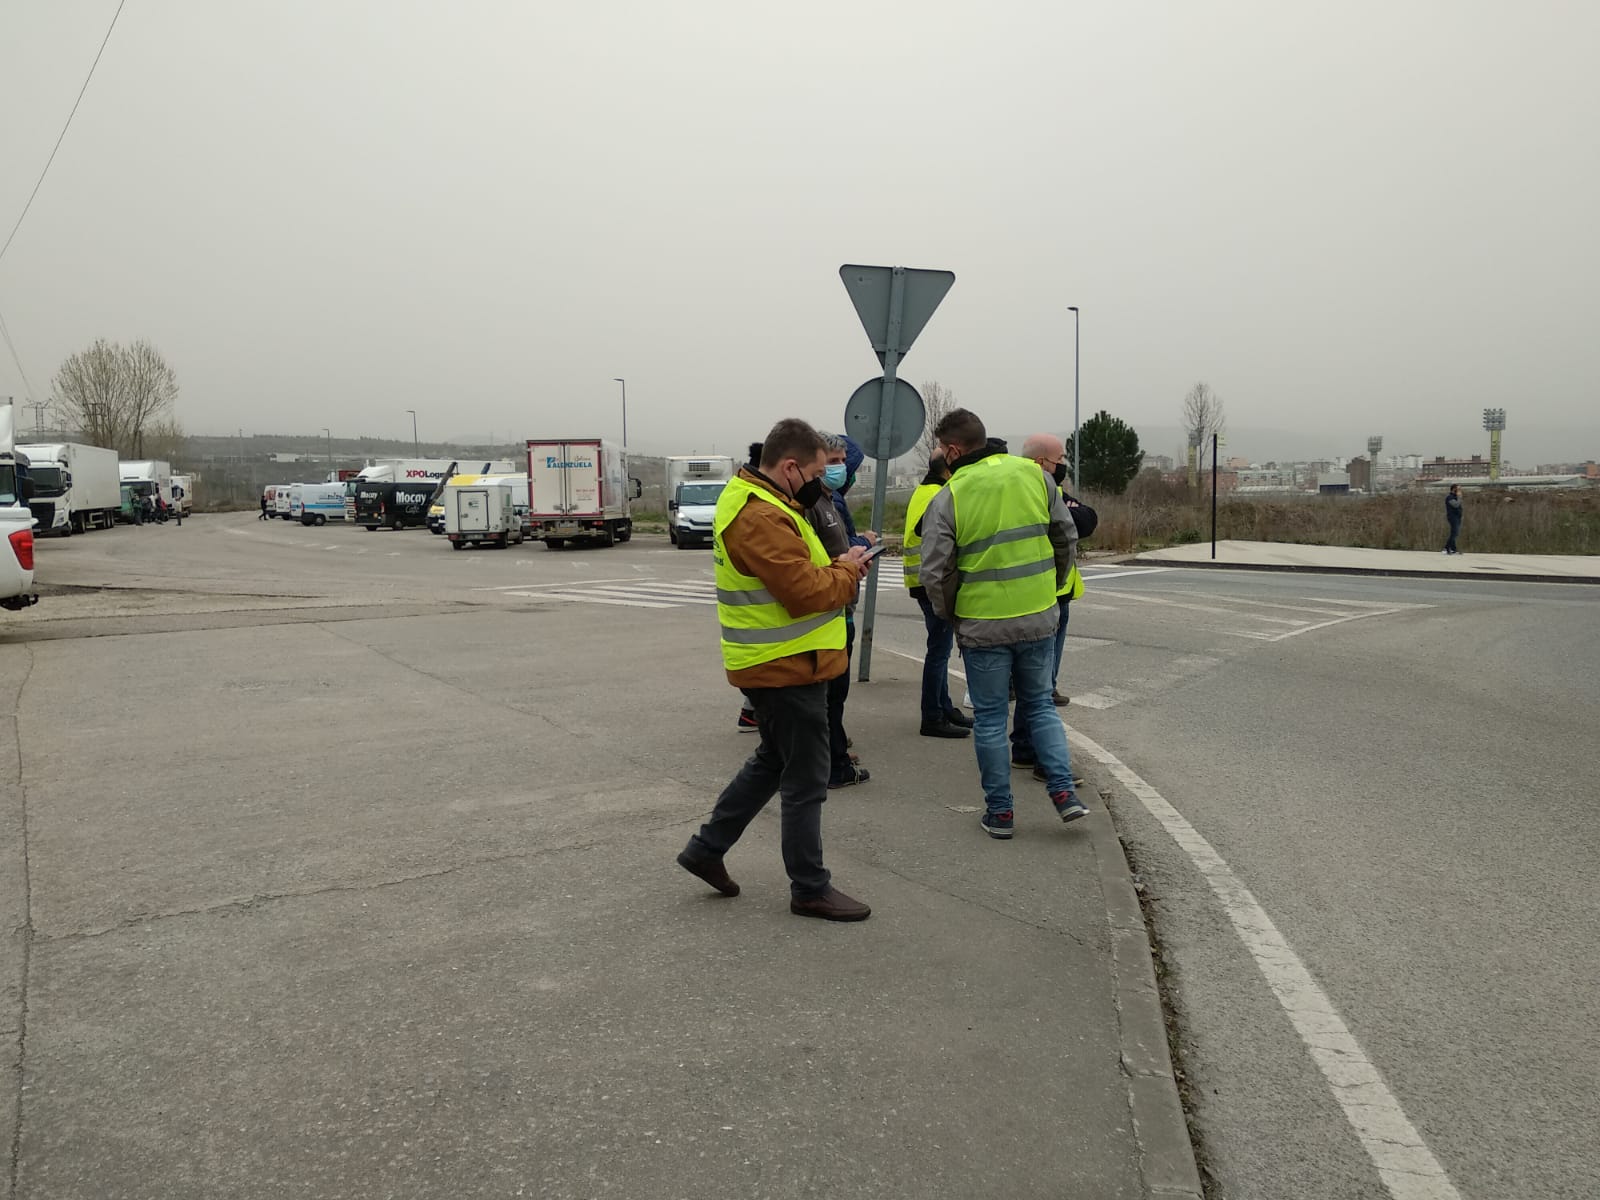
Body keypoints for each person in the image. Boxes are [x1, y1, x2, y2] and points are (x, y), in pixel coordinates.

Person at [679, 418, 874, 921]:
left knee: (772, 759)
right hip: (785, 668)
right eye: (816, 470)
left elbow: (803, 575)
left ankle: (706, 849)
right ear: (790, 466)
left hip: (781, 664)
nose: (822, 479)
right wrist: (848, 570)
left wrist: (842, 564)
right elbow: (804, 593)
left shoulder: (767, 503)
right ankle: (810, 887)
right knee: (806, 781)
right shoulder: (760, 515)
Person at [919, 408, 1087, 840]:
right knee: (1041, 706)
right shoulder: (1034, 476)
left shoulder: (950, 495)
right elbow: (1066, 537)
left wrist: (952, 615)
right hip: (1038, 617)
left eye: (941, 449)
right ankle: (1065, 793)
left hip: (982, 626)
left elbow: (935, 572)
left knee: (992, 720)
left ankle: (1001, 814)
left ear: (953, 450)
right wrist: (1051, 586)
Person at [1010, 434, 1097, 783]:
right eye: (1060, 459)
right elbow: (1075, 522)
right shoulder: (1032, 493)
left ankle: (1024, 748)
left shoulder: (1050, 492)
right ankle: (1044, 760)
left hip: (1050, 596)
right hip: (1042, 599)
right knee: (1040, 687)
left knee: (1038, 684)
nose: (1064, 465)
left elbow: (1087, 518)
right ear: (1041, 463)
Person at [904, 454, 972, 738]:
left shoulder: (924, 490)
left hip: (921, 580)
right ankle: (932, 716)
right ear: (947, 470)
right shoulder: (940, 494)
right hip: (932, 582)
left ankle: (943, 707)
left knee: (940, 650)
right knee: (939, 651)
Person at [819, 433, 872, 789]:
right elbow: (825, 558)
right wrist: (859, 549)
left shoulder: (827, 499)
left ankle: (831, 751)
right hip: (832, 611)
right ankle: (832, 762)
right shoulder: (820, 504)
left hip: (840, 607)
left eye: (842, 461)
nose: (841, 468)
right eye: (833, 461)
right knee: (831, 695)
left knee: (833, 696)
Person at [1444, 484, 1462, 555]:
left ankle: (1453, 549)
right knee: (1455, 533)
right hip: (1452, 517)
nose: (1459, 490)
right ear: (1453, 489)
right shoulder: (1450, 497)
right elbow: (1456, 505)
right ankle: (1447, 547)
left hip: (1457, 517)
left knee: (1454, 533)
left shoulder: (1455, 497)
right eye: (1458, 489)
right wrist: (1459, 497)